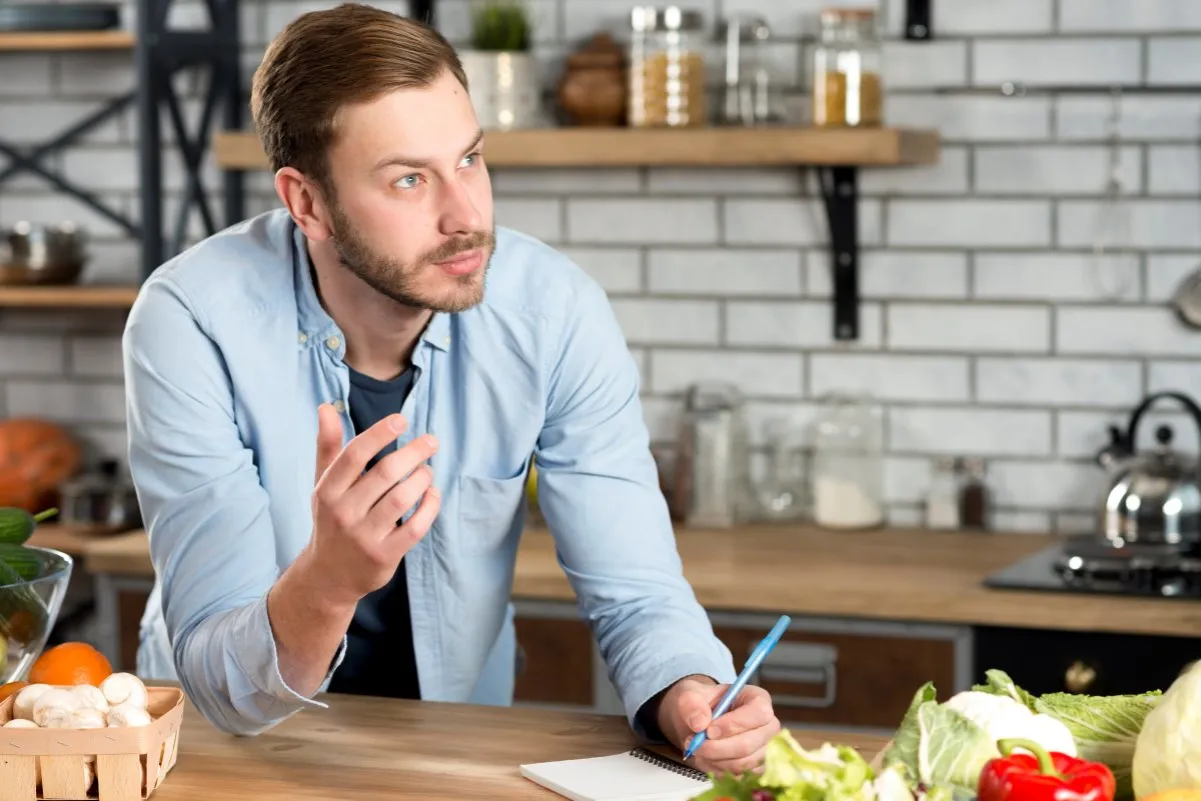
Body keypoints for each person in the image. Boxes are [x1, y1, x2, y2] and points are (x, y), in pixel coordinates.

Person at [122, 1, 779, 774]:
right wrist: (328, 581)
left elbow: (636, 591)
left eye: (469, 159)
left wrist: (689, 691)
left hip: (451, 747)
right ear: (307, 203)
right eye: (409, 179)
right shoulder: (190, 319)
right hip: (223, 756)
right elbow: (220, 686)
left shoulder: (552, 312)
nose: (466, 216)